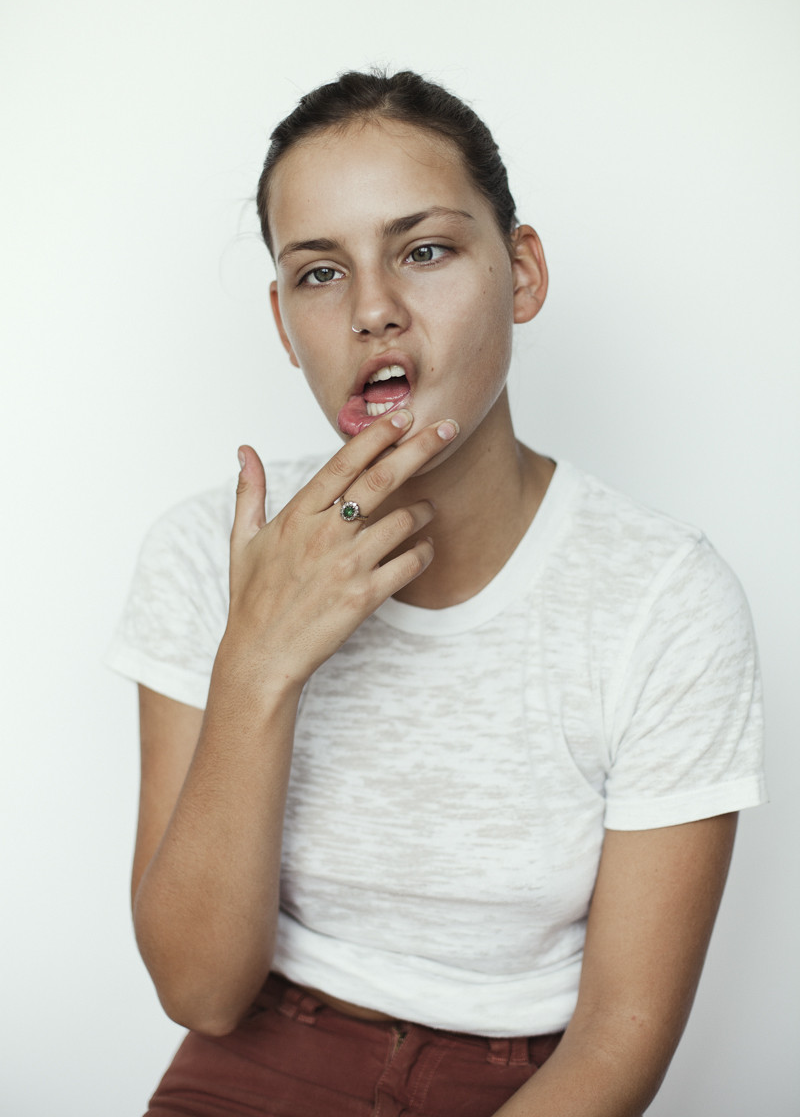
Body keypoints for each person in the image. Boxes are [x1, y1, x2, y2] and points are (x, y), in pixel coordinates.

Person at [107, 69, 766, 1117]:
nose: (373, 309)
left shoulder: (666, 598)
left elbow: (616, 1045)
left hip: (524, 1082)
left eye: (423, 251)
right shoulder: (207, 550)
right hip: (258, 1053)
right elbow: (200, 991)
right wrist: (259, 662)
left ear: (521, 273)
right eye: (321, 273)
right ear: (283, 322)